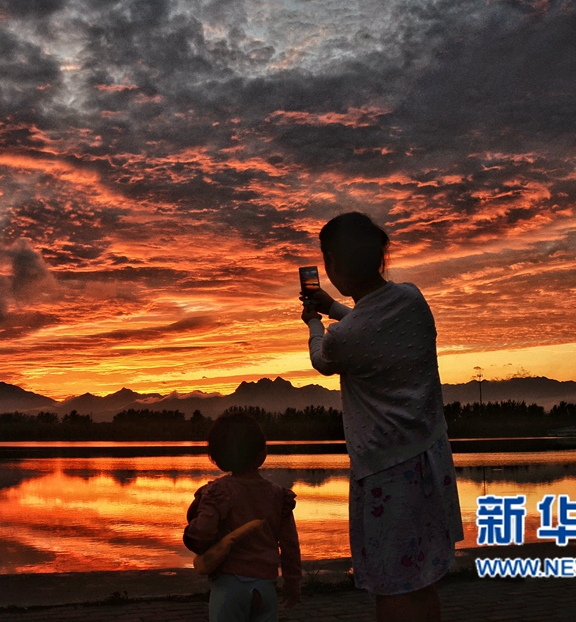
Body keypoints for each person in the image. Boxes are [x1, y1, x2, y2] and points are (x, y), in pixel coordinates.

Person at [300, 212, 463, 622]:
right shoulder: (412, 299)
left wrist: (315, 322)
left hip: (384, 471)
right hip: (429, 457)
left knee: (390, 583)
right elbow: (371, 326)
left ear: (333, 264)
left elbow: (324, 359)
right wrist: (337, 308)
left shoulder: (344, 337)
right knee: (422, 577)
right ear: (379, 257)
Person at [184, 412, 301, 622]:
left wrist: (191, 530)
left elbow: (201, 533)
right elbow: (290, 544)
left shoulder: (219, 492)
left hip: (229, 586)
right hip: (266, 586)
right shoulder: (278, 495)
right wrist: (292, 581)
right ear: (261, 452)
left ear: (218, 458)